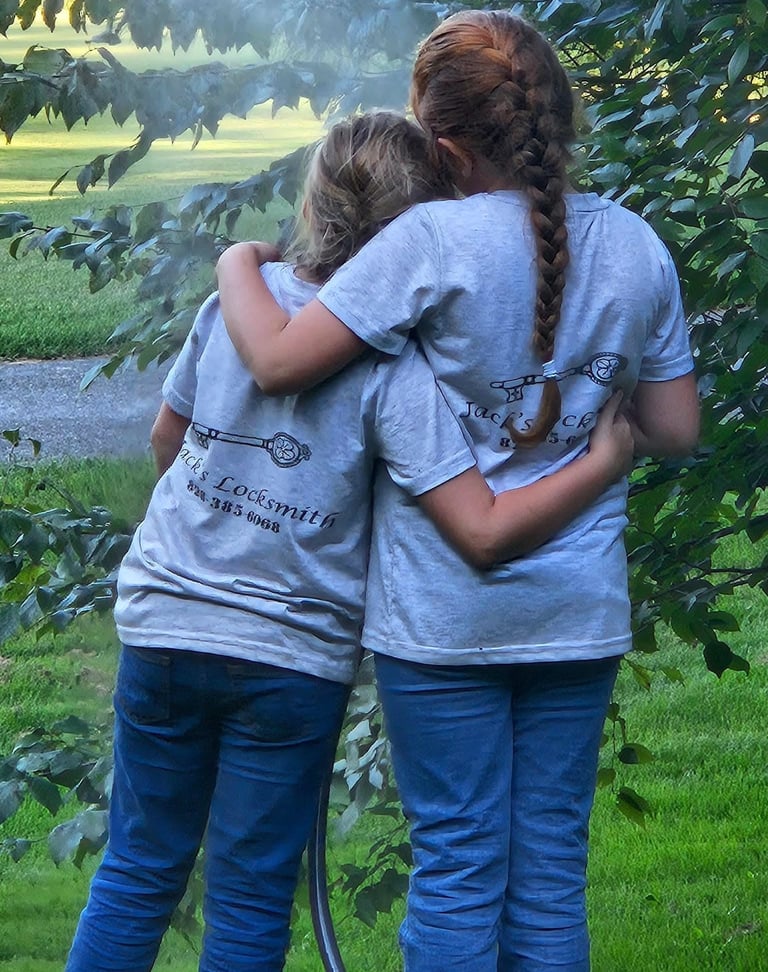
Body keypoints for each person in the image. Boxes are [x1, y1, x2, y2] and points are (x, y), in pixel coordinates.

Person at [64, 111, 633, 972]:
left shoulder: (233, 311)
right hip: (291, 657)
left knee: (139, 867)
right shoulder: (398, 369)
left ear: (314, 200)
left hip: (165, 627)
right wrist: (604, 459)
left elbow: (164, 440)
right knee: (251, 890)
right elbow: (468, 518)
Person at [215, 12, 700, 972]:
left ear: (442, 147)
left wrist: (237, 261)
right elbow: (678, 429)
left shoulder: (429, 241)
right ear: (561, 121)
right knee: (552, 866)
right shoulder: (636, 243)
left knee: (460, 862)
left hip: (442, 621)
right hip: (578, 611)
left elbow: (275, 363)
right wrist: (596, 439)